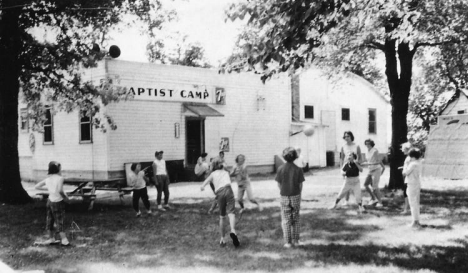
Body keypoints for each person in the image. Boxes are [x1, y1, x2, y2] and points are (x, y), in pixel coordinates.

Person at [201, 158, 240, 247]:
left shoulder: (212, 174)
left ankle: (222, 239)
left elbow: (205, 183)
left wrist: (202, 187)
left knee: (222, 217)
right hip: (228, 190)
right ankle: (233, 230)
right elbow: (231, 173)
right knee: (231, 213)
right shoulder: (226, 172)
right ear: (221, 165)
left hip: (219, 193)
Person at [34, 161, 70, 246]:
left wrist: (49, 190)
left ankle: (51, 239)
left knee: (49, 220)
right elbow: (60, 191)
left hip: (50, 201)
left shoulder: (48, 179)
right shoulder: (60, 178)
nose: (61, 170)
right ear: (57, 169)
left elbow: (36, 186)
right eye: (60, 169)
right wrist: (66, 198)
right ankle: (64, 240)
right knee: (59, 220)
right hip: (58, 202)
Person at [275, 147, 305, 248]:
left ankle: (288, 242)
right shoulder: (298, 169)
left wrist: (283, 191)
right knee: (296, 218)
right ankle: (296, 240)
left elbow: (279, 184)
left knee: (286, 219)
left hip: (284, 196)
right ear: (295, 157)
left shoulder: (280, 169)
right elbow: (300, 185)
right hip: (295, 195)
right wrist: (298, 194)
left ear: (284, 157)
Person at [402, 148, 423, 228]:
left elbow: (405, 173)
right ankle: (416, 220)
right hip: (417, 183)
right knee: (416, 202)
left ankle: (415, 221)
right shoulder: (419, 162)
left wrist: (405, 165)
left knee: (413, 203)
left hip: (412, 184)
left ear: (412, 156)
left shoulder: (412, 164)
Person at [340, 131, 362, 205]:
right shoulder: (343, 146)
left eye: (348, 136)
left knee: (355, 184)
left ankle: (358, 201)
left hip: (354, 167)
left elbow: (359, 156)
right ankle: (346, 201)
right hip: (346, 166)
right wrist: (341, 168)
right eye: (345, 136)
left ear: (351, 137)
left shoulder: (356, 146)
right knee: (346, 184)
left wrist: (358, 164)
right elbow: (342, 158)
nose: (346, 138)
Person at [362, 139, 385, 207]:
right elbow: (368, 160)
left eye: (369, 144)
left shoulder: (375, 151)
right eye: (366, 144)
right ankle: (373, 198)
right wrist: (362, 163)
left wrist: (383, 167)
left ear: (371, 144)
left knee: (375, 187)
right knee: (366, 184)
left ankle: (380, 203)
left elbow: (378, 161)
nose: (367, 145)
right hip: (370, 170)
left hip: (376, 170)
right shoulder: (366, 151)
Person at [398, 142, 412, 214]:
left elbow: (410, 168)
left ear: (407, 149)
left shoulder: (409, 158)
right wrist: (403, 167)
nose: (402, 150)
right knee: (406, 193)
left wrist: (404, 171)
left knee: (406, 193)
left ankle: (406, 209)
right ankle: (407, 208)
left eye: (403, 149)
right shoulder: (409, 157)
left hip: (408, 178)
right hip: (407, 177)